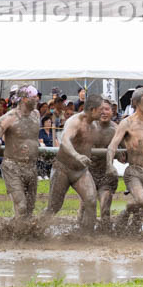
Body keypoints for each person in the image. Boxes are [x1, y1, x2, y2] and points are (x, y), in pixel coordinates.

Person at [0, 85, 42, 221]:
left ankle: (20, 233)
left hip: (31, 166)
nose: (38, 100)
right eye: (35, 98)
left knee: (30, 208)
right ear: (25, 99)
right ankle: (15, 237)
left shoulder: (36, 114)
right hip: (13, 166)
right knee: (21, 205)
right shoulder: (7, 119)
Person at [41, 95, 104, 232]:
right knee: (54, 207)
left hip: (80, 171)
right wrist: (76, 155)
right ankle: (35, 231)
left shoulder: (95, 126)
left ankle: (86, 235)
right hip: (62, 169)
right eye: (101, 110)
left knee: (91, 200)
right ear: (92, 110)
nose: (103, 112)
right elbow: (65, 141)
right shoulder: (74, 122)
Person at [106, 88, 143, 232]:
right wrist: (110, 165)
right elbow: (112, 145)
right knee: (141, 200)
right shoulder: (127, 123)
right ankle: (124, 215)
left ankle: (133, 232)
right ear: (136, 103)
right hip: (135, 172)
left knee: (142, 208)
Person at [88, 99, 120, 230]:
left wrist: (121, 154)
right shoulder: (89, 126)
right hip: (88, 173)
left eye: (107, 109)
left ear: (112, 112)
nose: (104, 112)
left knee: (105, 207)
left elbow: (125, 151)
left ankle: (105, 235)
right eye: (101, 109)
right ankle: (81, 234)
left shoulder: (116, 130)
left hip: (106, 174)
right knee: (86, 206)